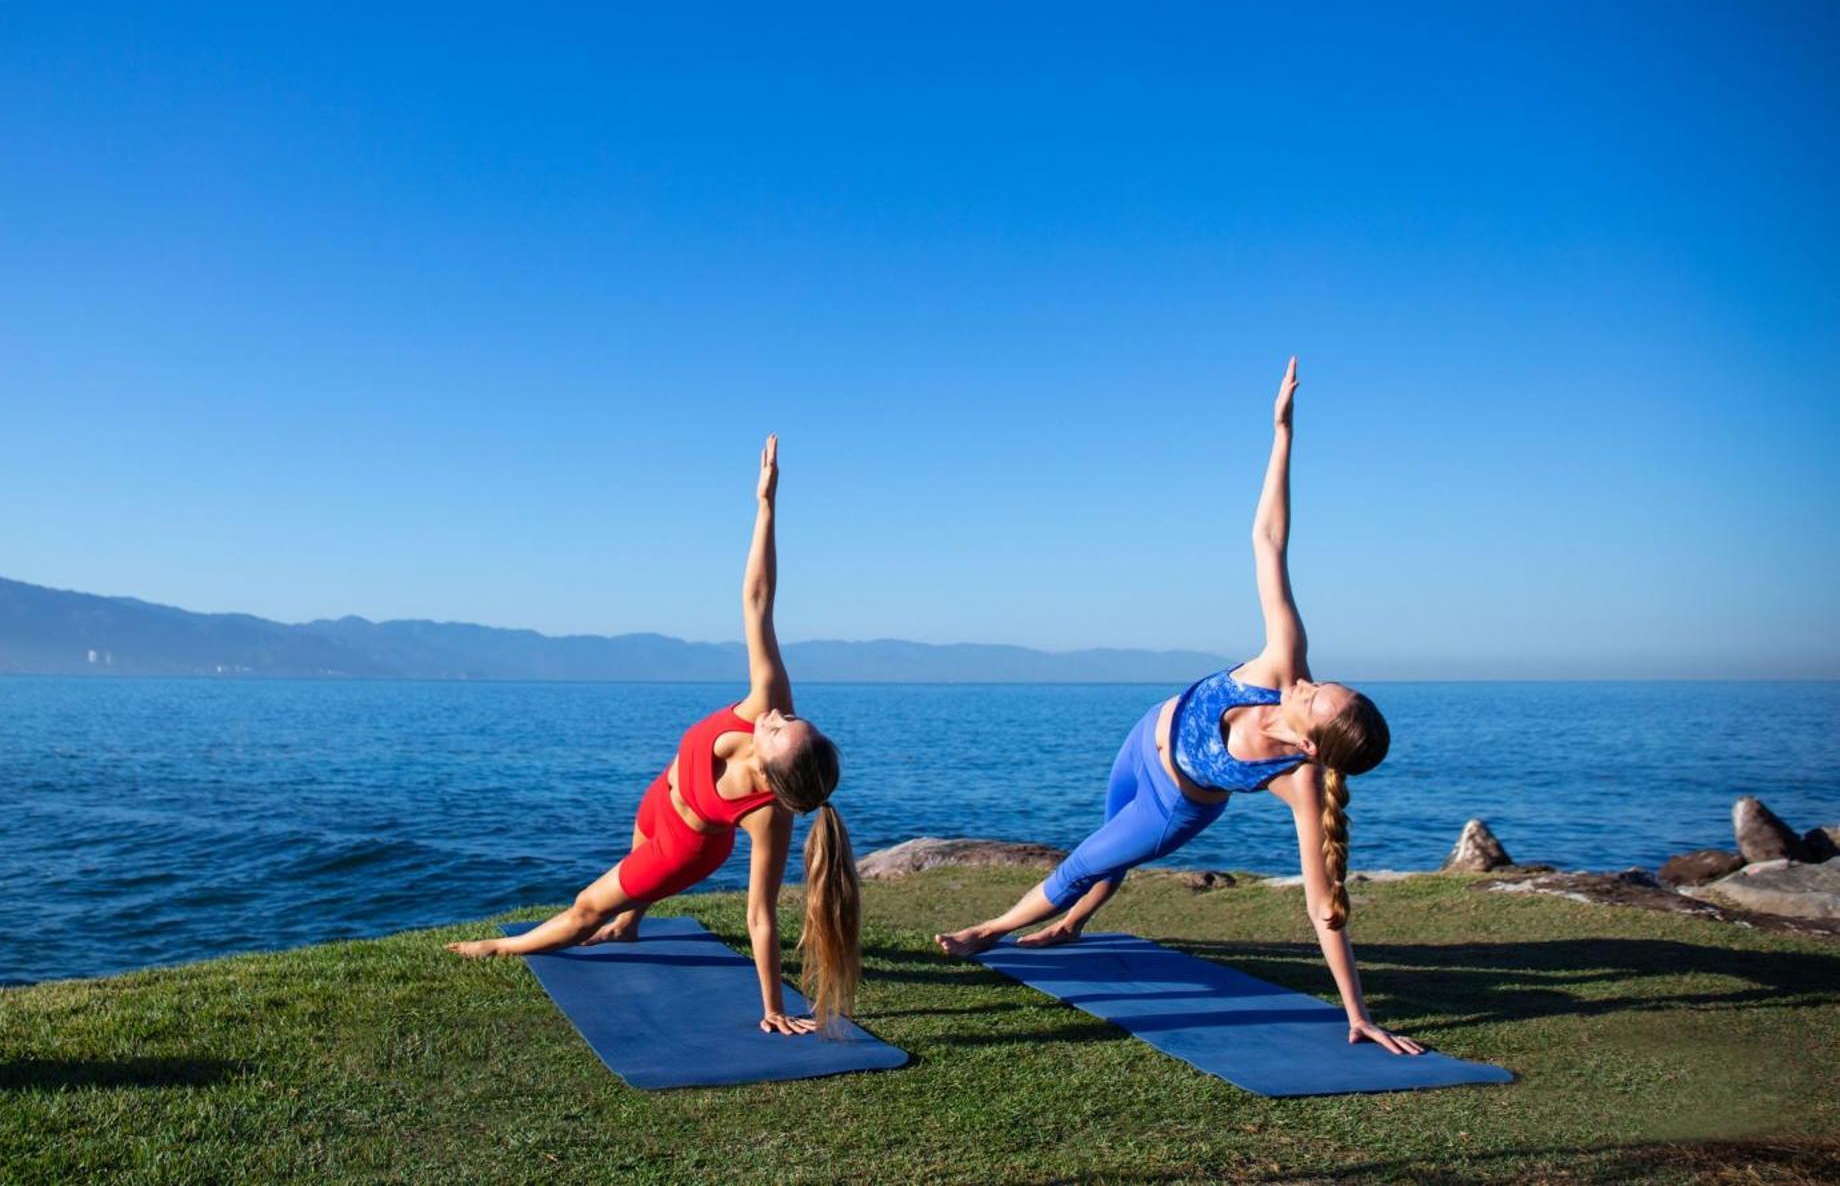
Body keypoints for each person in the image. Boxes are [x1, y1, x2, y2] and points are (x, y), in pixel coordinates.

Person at [932, 359, 1424, 1056]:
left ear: (1313, 744)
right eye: (1324, 682)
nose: (1307, 684)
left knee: (1084, 863)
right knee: (1106, 843)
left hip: (1175, 804)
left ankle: (990, 929)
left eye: (1315, 698)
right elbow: (1269, 542)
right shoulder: (1285, 659)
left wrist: (1358, 1011)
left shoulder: (1301, 782)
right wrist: (1281, 433)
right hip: (1143, 738)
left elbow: (1324, 905)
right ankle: (1072, 925)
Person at [447, 436, 861, 1036]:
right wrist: (766, 507)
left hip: (684, 848)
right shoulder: (767, 700)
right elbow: (758, 601)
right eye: (792, 718)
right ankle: (633, 919)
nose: (778, 717)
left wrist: (772, 1006)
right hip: (659, 796)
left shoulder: (768, 814)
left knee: (589, 910)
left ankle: (500, 949)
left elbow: (760, 917)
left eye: (781, 729)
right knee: (625, 891)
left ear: (773, 773)